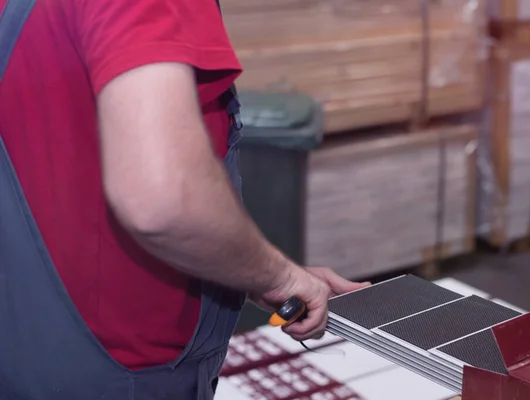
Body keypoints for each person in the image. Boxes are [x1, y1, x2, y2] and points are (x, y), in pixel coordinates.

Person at [0, 0, 369, 398]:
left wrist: (249, 272)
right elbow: (164, 201)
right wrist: (279, 277)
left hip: (26, 354)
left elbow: (63, 166)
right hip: (125, 376)